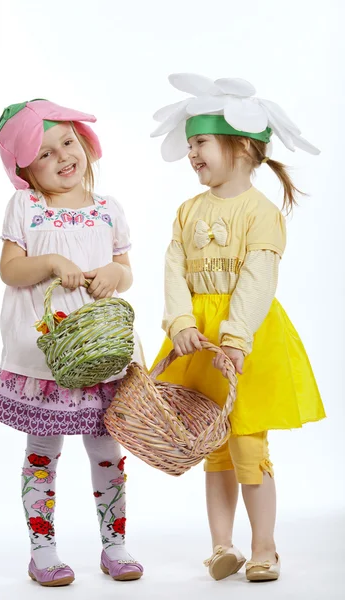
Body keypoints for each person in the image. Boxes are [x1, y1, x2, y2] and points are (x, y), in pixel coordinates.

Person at [150, 74, 325, 582]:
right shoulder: (188, 212)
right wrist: (180, 320)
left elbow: (257, 280)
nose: (192, 153)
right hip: (198, 340)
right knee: (215, 444)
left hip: (245, 338)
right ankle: (221, 546)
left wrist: (235, 338)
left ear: (243, 146)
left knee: (249, 444)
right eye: (189, 144)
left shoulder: (260, 213)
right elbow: (173, 269)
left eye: (200, 141)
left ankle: (264, 547)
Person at [0, 99, 144, 586]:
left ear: (85, 144)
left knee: (107, 451)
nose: (62, 158)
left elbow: (126, 272)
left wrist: (116, 273)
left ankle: (114, 544)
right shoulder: (28, 207)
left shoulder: (107, 210)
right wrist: (51, 261)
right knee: (42, 452)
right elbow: (10, 270)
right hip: (46, 358)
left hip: (99, 354)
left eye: (67, 143)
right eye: (45, 154)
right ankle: (43, 550)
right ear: (25, 169)